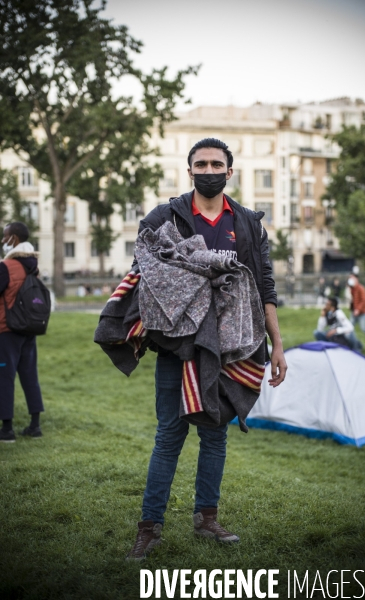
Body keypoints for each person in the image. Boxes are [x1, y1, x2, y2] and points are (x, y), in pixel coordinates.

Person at [126, 138, 287, 560]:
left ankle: (207, 517)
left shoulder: (248, 223)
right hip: (178, 346)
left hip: (232, 347)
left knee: (215, 436)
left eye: (217, 163)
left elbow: (264, 285)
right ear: (190, 170)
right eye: (201, 163)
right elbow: (144, 269)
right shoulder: (167, 217)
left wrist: (277, 343)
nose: (209, 169)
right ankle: (149, 527)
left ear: (229, 172)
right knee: (169, 435)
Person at [0, 222, 45, 442]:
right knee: (29, 374)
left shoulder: (6, 267)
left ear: (14, 239)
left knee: (4, 377)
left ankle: (7, 430)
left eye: (5, 236)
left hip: (7, 329)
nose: (3, 240)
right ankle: (35, 426)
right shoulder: (33, 265)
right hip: (29, 327)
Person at [347, 274, 365, 340]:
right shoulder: (352, 288)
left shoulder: (361, 288)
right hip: (354, 312)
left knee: (363, 328)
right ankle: (349, 340)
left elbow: (363, 300)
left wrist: (358, 309)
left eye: (352, 278)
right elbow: (353, 299)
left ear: (357, 279)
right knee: (349, 327)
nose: (351, 279)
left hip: (362, 312)